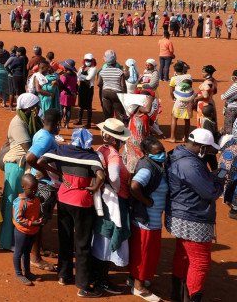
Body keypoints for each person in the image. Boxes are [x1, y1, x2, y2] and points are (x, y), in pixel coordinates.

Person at [43, 128, 106, 298]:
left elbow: (40, 161)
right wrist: (94, 187)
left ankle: (64, 275)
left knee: (65, 238)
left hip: (63, 199)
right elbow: (100, 174)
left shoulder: (62, 150)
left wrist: (59, 174)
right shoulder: (91, 156)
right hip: (82, 202)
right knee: (83, 244)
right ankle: (83, 285)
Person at [166, 129, 225, 302]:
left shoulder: (181, 156)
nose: (208, 152)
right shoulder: (189, 165)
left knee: (182, 254)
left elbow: (198, 180)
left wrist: (210, 176)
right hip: (192, 218)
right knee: (200, 261)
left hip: (180, 214)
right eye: (207, 148)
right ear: (199, 146)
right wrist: (220, 181)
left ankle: (177, 294)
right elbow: (210, 192)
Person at [91, 119, 132, 295]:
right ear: (117, 139)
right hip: (114, 201)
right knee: (108, 238)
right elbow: (114, 176)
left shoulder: (101, 149)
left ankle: (98, 277)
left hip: (102, 199)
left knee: (102, 236)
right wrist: (115, 188)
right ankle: (102, 280)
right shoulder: (114, 155)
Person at [128, 136, 167, 302]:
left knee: (141, 251)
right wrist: (147, 201)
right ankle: (139, 286)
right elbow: (134, 186)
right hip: (147, 221)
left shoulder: (153, 165)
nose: (162, 154)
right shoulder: (148, 168)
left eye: (162, 151)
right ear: (147, 153)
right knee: (145, 253)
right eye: (158, 153)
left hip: (148, 220)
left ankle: (135, 279)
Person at [0, 93, 41, 251]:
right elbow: (28, 149)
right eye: (36, 106)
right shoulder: (18, 123)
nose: (38, 109)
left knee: (18, 205)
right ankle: (7, 241)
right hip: (16, 166)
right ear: (30, 108)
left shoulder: (27, 119)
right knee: (13, 203)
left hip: (21, 166)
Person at [25, 108, 61, 272]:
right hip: (44, 185)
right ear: (56, 123)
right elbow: (30, 158)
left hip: (41, 181)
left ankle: (39, 249)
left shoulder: (41, 133)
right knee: (38, 220)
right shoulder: (46, 138)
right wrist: (47, 172)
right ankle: (36, 258)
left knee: (39, 219)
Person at [12, 173, 43, 286]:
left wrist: (40, 218)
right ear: (23, 186)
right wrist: (32, 222)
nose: (34, 191)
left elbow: (37, 212)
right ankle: (19, 273)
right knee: (19, 252)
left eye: (36, 188)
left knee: (27, 252)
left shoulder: (36, 199)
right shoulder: (21, 202)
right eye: (31, 188)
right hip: (22, 232)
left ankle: (28, 272)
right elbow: (18, 218)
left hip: (32, 231)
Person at [98, 49, 126, 121]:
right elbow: (123, 85)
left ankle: (108, 131)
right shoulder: (120, 71)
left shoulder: (102, 71)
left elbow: (99, 83)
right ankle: (119, 130)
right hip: (117, 93)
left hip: (105, 93)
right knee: (119, 114)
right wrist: (124, 96)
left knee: (107, 115)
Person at [169, 61, 194, 142]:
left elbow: (171, 90)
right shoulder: (189, 76)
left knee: (174, 117)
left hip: (179, 99)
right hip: (189, 99)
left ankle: (173, 138)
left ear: (175, 70)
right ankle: (186, 137)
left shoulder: (173, 79)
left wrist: (173, 98)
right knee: (187, 119)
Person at [76, 53, 98, 128]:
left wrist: (81, 76)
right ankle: (79, 120)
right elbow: (77, 76)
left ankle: (88, 123)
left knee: (88, 106)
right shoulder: (82, 67)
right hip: (82, 88)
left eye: (89, 60)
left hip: (89, 88)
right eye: (86, 60)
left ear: (92, 61)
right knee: (81, 105)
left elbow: (89, 78)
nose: (87, 62)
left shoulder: (94, 68)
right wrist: (81, 74)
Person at [58, 60, 78, 127]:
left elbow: (61, 84)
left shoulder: (64, 75)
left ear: (66, 68)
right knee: (69, 109)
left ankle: (60, 123)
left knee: (61, 109)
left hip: (64, 94)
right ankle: (67, 124)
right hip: (72, 94)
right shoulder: (75, 75)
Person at [220, 69, 237, 136]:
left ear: (235, 77)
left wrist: (223, 95)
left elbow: (223, 97)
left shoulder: (235, 86)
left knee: (228, 128)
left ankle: (229, 143)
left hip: (232, 108)